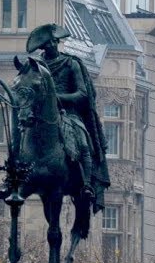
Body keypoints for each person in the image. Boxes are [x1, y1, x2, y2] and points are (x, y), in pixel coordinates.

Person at [25, 23, 109, 212]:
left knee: (82, 140)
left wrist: (56, 98)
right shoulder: (35, 65)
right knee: (22, 130)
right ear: (43, 47)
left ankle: (87, 183)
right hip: (39, 114)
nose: (53, 45)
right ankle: (14, 175)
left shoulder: (71, 63)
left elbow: (82, 93)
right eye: (49, 43)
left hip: (69, 113)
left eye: (55, 42)